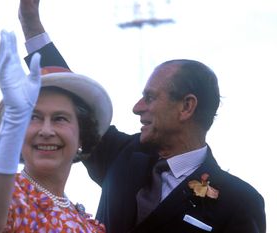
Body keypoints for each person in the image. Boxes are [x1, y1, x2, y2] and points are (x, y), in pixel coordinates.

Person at [16, 1, 267, 233]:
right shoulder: (122, 155)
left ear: (186, 107)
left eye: (150, 98)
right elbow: (74, 98)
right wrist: (30, 21)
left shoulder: (240, 201)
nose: (136, 108)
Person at [0, 29, 113, 233]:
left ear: (82, 135)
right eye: (33, 117)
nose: (46, 130)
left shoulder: (87, 224)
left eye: (60, 119)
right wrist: (13, 122)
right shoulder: (10, 194)